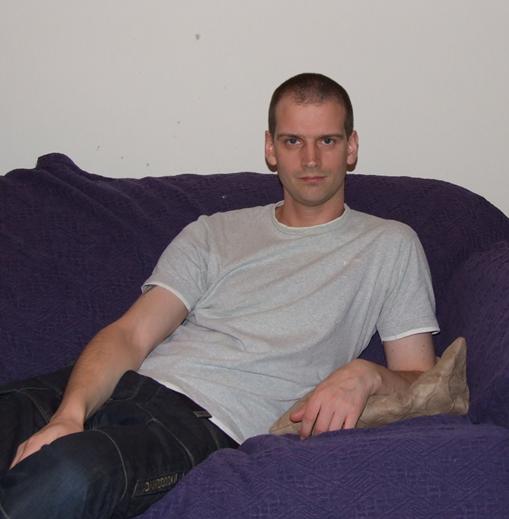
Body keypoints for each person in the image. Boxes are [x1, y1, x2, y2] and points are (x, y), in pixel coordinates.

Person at [0, 73, 439, 518]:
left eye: (327, 140)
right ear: (270, 148)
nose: (310, 159)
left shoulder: (389, 244)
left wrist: (367, 375)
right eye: (292, 141)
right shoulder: (214, 231)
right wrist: (69, 414)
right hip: (117, 385)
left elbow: (424, 382)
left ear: (351, 147)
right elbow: (132, 335)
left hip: (200, 424)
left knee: (71, 475)